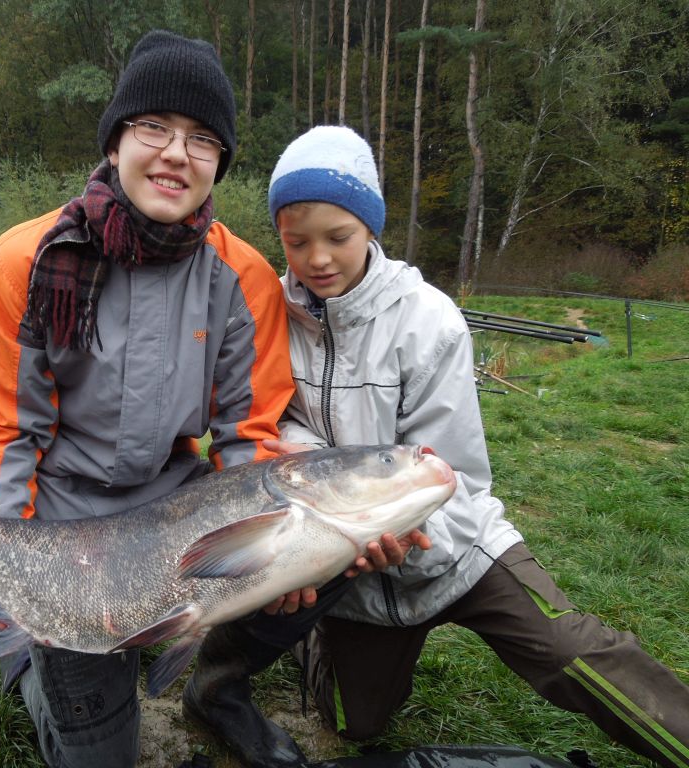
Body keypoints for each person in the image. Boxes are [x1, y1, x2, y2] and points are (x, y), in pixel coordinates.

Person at [0, 32, 419, 768]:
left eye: (203, 139)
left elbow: (248, 436)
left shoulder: (243, 276)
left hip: (174, 507)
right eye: (154, 127)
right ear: (116, 140)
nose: (177, 153)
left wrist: (276, 553)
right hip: (60, 518)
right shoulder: (22, 260)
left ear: (219, 162)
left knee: (340, 538)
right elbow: (5, 431)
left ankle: (215, 679)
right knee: (98, 757)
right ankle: (22, 654)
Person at [260, 124, 689, 768]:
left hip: (457, 549)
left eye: (338, 237)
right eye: (297, 242)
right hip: (353, 570)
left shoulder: (429, 318)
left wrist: (406, 533)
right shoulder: (271, 315)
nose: (317, 258)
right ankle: (311, 636)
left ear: (370, 228)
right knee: (357, 724)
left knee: (570, 654)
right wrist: (336, 528)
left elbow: (450, 470)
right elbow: (278, 427)